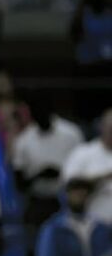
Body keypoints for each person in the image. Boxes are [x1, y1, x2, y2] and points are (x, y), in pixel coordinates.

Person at [12, 97, 84, 244]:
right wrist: (40, 175)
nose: (41, 118)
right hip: (38, 200)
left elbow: (83, 170)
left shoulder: (71, 134)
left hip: (67, 201)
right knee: (39, 245)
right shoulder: (24, 140)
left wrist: (61, 173)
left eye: (44, 114)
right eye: (37, 116)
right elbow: (19, 183)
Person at [61, 109, 112, 225]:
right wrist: (102, 177)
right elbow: (70, 184)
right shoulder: (83, 153)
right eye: (111, 127)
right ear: (101, 126)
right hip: (93, 225)